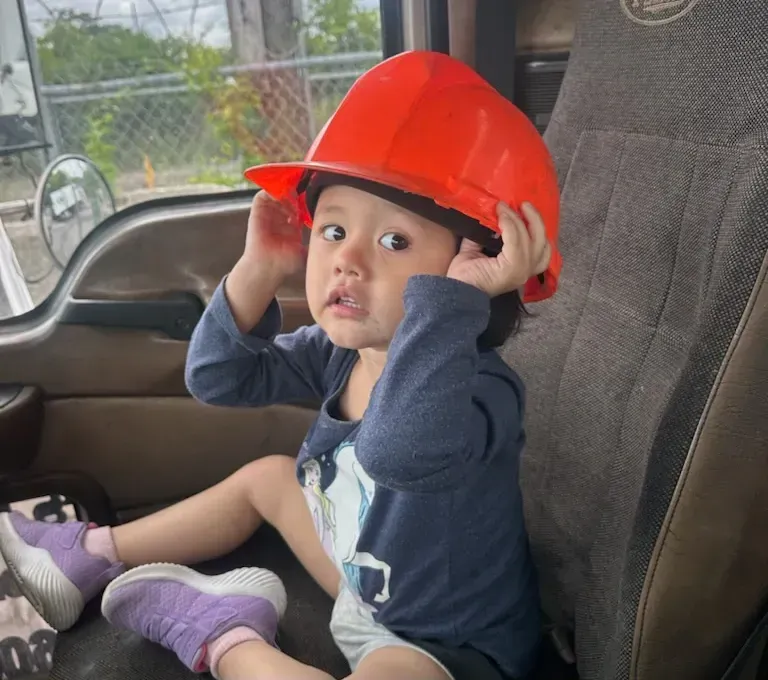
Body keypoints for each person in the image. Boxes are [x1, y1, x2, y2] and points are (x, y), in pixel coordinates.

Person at [0, 51, 561, 680]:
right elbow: (218, 378)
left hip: (444, 645)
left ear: (473, 274)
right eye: (331, 229)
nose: (347, 260)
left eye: (395, 241)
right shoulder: (340, 355)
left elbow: (399, 454)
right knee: (267, 476)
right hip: (362, 577)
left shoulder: (480, 391)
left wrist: (454, 306)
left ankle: (226, 635)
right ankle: (93, 554)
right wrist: (259, 269)